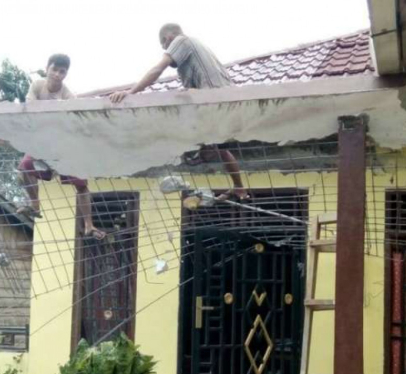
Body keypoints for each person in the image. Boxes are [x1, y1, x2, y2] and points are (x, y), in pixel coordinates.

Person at [109, 23, 247, 200]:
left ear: (167, 39)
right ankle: (239, 187)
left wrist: (130, 92)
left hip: (213, 99)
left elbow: (158, 69)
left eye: (164, 46)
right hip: (224, 103)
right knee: (221, 147)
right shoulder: (197, 51)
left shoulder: (181, 40)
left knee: (177, 106)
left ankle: (195, 153)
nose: (166, 49)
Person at [18, 54, 106, 240]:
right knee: (25, 166)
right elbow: (30, 106)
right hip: (42, 142)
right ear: (47, 69)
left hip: (64, 146)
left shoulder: (68, 94)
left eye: (62, 71)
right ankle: (35, 203)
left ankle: (89, 225)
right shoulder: (37, 86)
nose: (57, 74)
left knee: (82, 184)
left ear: (66, 74)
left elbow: (74, 118)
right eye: (54, 70)